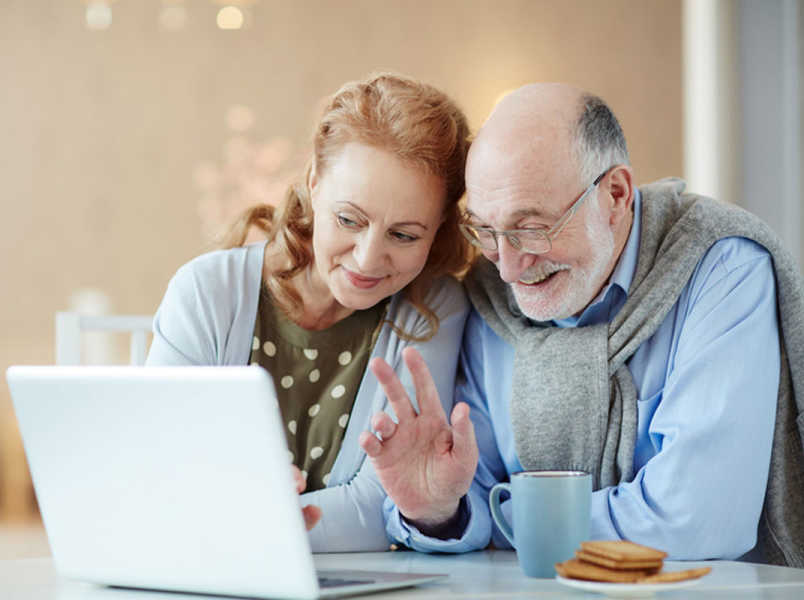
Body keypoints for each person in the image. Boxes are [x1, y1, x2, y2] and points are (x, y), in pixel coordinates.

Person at [359, 83, 804, 567]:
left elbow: (697, 519)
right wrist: (440, 511)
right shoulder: (490, 293)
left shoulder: (722, 268)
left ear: (615, 195)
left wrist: (510, 517)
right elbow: (472, 496)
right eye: (486, 229)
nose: (508, 267)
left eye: (532, 228)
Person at [146, 73, 473, 552]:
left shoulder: (434, 308)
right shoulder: (207, 292)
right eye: (349, 220)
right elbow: (158, 477)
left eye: (404, 235)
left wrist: (247, 523)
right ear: (314, 185)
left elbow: (381, 508)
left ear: (437, 227)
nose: (366, 259)